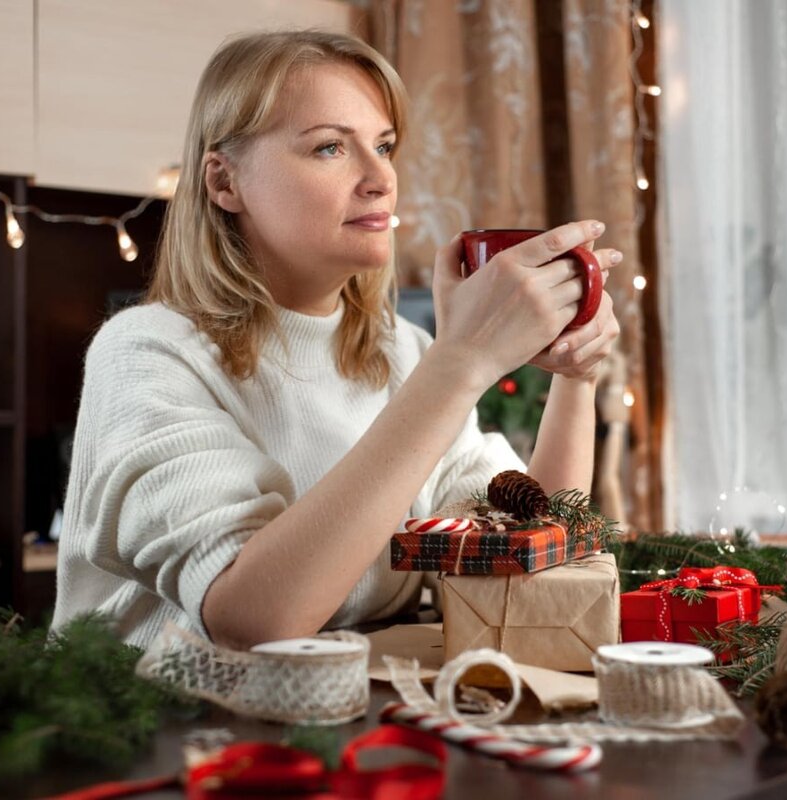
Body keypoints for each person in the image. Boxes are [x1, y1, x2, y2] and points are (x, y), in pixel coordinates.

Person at [50, 30, 621, 651]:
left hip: (343, 721)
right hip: (159, 732)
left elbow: (527, 535)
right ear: (224, 183)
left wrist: (575, 376)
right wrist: (460, 363)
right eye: (329, 148)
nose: (381, 178)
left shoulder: (402, 351)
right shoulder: (145, 353)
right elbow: (252, 617)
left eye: (384, 146)